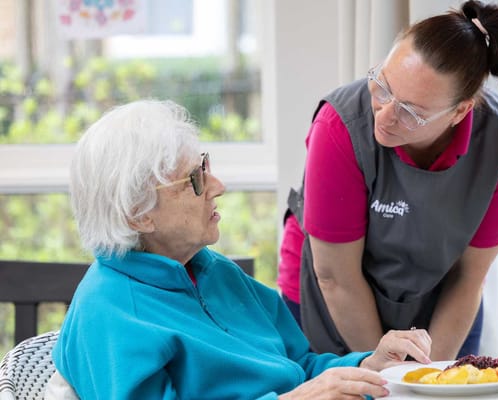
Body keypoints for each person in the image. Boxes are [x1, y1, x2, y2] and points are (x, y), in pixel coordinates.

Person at [47, 99, 433, 400]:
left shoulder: (212, 270)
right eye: (194, 179)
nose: (217, 185)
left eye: (205, 165)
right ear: (138, 215)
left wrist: (370, 364)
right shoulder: (109, 313)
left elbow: (299, 365)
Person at [277, 0, 498, 360]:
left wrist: (427, 377)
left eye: (411, 111)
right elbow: (337, 278)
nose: (385, 115)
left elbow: (469, 277)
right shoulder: (339, 126)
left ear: (461, 111)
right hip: (329, 293)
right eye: (382, 85)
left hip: (441, 299)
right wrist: (392, 376)